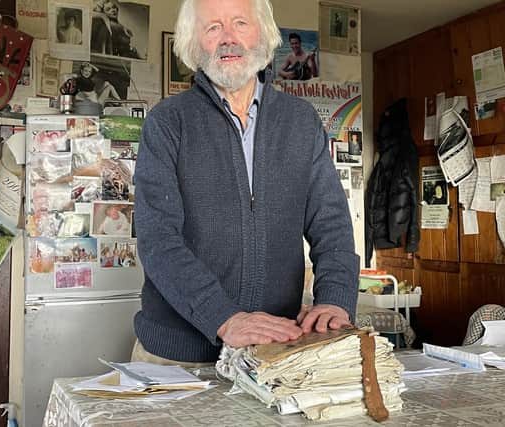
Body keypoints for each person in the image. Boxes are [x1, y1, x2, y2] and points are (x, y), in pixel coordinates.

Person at [133, 0, 359, 365]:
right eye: (212, 28)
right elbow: (158, 240)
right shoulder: (166, 124)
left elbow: (331, 226)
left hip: (277, 352)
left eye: (240, 23)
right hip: (178, 360)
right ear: (194, 43)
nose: (228, 39)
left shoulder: (301, 122)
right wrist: (225, 317)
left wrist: (335, 298)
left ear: (264, 34)